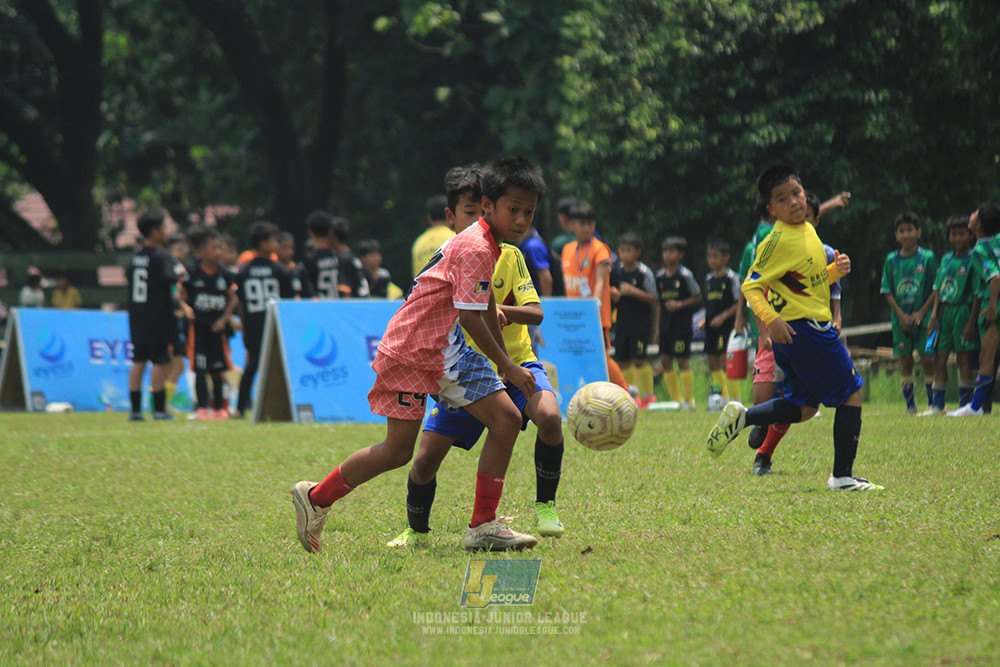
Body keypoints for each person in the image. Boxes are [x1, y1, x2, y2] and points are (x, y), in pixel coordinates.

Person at [291, 156, 545, 553]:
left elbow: (486, 305)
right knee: (507, 419)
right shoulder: (479, 246)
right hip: (432, 347)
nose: (520, 219)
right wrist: (507, 364)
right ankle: (482, 525)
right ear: (488, 207)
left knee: (397, 451)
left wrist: (501, 362)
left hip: (412, 344)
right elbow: (470, 315)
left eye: (528, 211)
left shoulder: (483, 243)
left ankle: (316, 497)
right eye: (513, 209)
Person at [387, 168, 566, 548]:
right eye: (468, 213)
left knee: (549, 416)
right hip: (464, 370)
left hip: (516, 363)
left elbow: (533, 312)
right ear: (452, 218)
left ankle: (543, 506)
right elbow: (451, 315)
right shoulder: (462, 253)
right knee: (422, 461)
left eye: (527, 212)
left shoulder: (508, 255)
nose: (516, 220)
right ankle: (416, 530)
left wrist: (503, 315)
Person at [707, 164, 880, 491]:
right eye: (782, 199)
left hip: (801, 332)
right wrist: (771, 321)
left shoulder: (808, 231)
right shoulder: (777, 240)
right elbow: (751, 286)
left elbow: (807, 283)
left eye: (796, 193)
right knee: (852, 395)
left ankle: (744, 417)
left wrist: (834, 272)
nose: (794, 202)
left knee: (802, 408)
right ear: (771, 209)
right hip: (807, 332)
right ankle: (842, 477)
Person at [748, 191, 844, 475]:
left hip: (809, 336)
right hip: (774, 335)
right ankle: (754, 422)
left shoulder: (824, 252)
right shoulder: (775, 246)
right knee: (764, 402)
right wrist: (764, 328)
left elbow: (831, 291)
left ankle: (763, 454)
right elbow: (755, 289)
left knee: (802, 402)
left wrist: (836, 318)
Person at [560, 201, 629, 390]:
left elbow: (600, 280)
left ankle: (626, 392)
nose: (586, 228)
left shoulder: (600, 249)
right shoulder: (567, 250)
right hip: (573, 317)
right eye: (582, 224)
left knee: (601, 357)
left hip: (595, 316)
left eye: (590, 224)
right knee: (578, 358)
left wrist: (593, 307)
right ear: (572, 224)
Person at [126, 210, 187, 421]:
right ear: (154, 231)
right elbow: (175, 277)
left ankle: (135, 411)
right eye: (163, 228)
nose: (166, 232)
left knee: (138, 360)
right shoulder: (163, 257)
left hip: (137, 314)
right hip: (158, 315)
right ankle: (158, 409)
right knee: (160, 361)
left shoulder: (135, 257)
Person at [234, 221, 295, 417]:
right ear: (262, 243)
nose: (276, 244)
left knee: (251, 367)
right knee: (285, 365)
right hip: (275, 326)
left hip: (252, 325)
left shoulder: (243, 271)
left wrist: (244, 326)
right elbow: (287, 301)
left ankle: (239, 408)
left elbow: (241, 303)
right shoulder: (279, 270)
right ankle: (291, 405)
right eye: (272, 240)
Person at [881, 212, 938, 415]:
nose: (906, 234)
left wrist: (923, 312)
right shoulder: (891, 260)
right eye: (902, 231)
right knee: (905, 360)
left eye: (910, 230)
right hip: (901, 320)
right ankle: (910, 406)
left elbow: (936, 288)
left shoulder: (928, 258)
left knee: (927, 358)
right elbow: (887, 291)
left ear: (918, 232)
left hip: (924, 319)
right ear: (896, 235)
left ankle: (932, 404)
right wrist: (902, 316)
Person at [948, 202, 1000, 416]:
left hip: (996, 305)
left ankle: (976, 407)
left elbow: (995, 278)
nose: (970, 215)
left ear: (978, 225)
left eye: (974, 214)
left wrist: (990, 308)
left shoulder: (979, 250)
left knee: (986, 357)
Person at [183, 227, 238, 420]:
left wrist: (224, 319)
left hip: (217, 330)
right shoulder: (191, 271)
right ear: (202, 251)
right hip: (198, 329)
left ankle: (220, 408)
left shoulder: (225, 273)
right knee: (200, 370)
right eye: (214, 248)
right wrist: (185, 308)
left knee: (217, 370)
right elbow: (178, 293)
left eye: (220, 248)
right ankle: (202, 408)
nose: (218, 252)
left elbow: (234, 297)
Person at [926, 215, 976, 414]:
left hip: (962, 310)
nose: (957, 238)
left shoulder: (973, 259)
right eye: (954, 234)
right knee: (939, 358)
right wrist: (933, 315)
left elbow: (976, 293)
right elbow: (937, 288)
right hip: (944, 312)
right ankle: (938, 406)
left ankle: (965, 405)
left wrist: (971, 321)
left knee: (963, 359)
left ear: (970, 235)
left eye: (961, 234)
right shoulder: (946, 258)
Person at [654, 236, 701, 409]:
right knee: (665, 360)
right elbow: (659, 303)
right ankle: (677, 400)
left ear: (680, 254)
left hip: (681, 325)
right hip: (666, 326)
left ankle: (689, 400)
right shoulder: (659, 277)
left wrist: (680, 304)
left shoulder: (685, 275)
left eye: (671, 251)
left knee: (682, 360)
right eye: (665, 251)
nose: (667, 255)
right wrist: (657, 329)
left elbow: (697, 296)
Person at [611, 232, 657, 407]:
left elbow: (654, 297)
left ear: (637, 252)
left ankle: (649, 396)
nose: (624, 254)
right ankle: (632, 396)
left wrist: (633, 291)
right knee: (623, 360)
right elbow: (612, 291)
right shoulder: (617, 271)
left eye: (628, 250)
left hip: (640, 323)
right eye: (622, 250)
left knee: (639, 359)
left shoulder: (644, 272)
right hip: (622, 322)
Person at [701, 239, 741, 405]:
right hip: (711, 326)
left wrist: (723, 317)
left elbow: (739, 302)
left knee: (727, 362)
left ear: (726, 257)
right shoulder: (709, 279)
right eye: (709, 257)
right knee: (712, 362)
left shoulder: (731, 278)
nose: (711, 260)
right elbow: (709, 303)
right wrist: (705, 319)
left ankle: (736, 399)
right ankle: (721, 398)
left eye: (715, 257)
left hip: (726, 325)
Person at [411, 194, 454, 280]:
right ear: (450, 215)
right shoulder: (455, 238)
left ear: (429, 218)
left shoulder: (419, 243)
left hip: (424, 292)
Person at [328, 215, 369, 298]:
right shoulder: (352, 257)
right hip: (363, 302)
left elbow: (345, 291)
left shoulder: (343, 259)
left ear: (334, 237)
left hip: (354, 306)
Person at [276, 231, 313, 299]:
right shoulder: (274, 270)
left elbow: (309, 293)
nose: (290, 251)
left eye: (292, 248)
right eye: (285, 247)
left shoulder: (299, 270)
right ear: (276, 247)